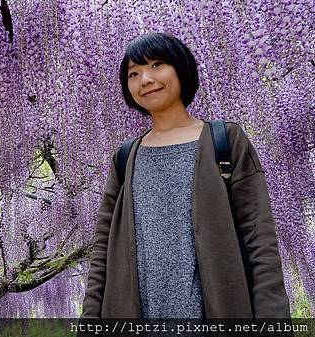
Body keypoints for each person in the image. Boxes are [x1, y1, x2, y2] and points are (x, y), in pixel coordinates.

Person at [80, 32, 291, 322]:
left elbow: (259, 239)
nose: (145, 79)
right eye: (134, 73)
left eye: (156, 65)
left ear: (181, 68)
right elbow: (102, 251)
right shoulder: (125, 157)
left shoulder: (225, 140)